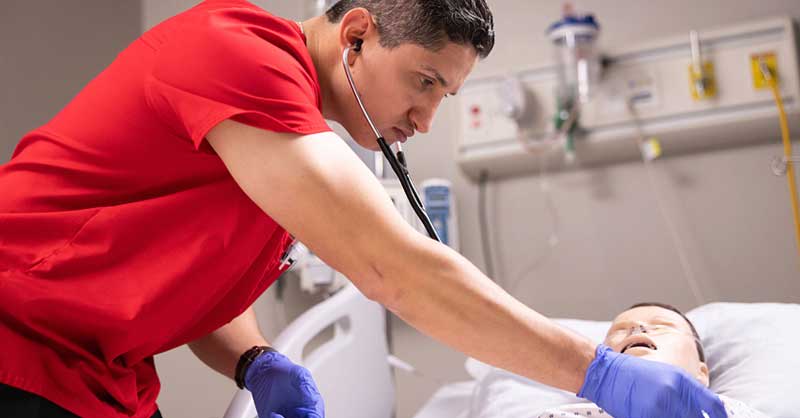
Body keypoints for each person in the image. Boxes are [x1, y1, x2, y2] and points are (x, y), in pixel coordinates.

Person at [0, 1, 727, 417]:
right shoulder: (238, 57)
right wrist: (596, 374)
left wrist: (254, 359)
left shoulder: (288, 138)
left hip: (99, 375)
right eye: (423, 82)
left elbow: (195, 272)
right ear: (355, 35)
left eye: (445, 95)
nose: (426, 117)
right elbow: (393, 269)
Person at [531, 303, 770, 418]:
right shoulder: (568, 414)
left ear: (702, 373)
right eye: (619, 330)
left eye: (662, 326)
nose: (638, 328)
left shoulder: (729, 411)